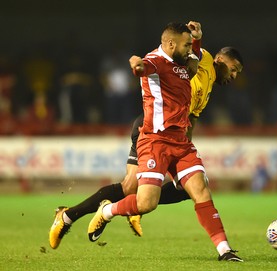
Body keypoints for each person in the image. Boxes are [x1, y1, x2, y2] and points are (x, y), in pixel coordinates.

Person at [49, 21, 244, 262]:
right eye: (234, 69)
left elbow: (191, 112)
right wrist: (195, 40)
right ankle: (70, 215)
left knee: (190, 187)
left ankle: (223, 250)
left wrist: (184, 155)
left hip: (177, 137)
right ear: (220, 60)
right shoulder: (197, 59)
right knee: (131, 189)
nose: (234, 76)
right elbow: (170, 58)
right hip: (150, 128)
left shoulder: (204, 80)